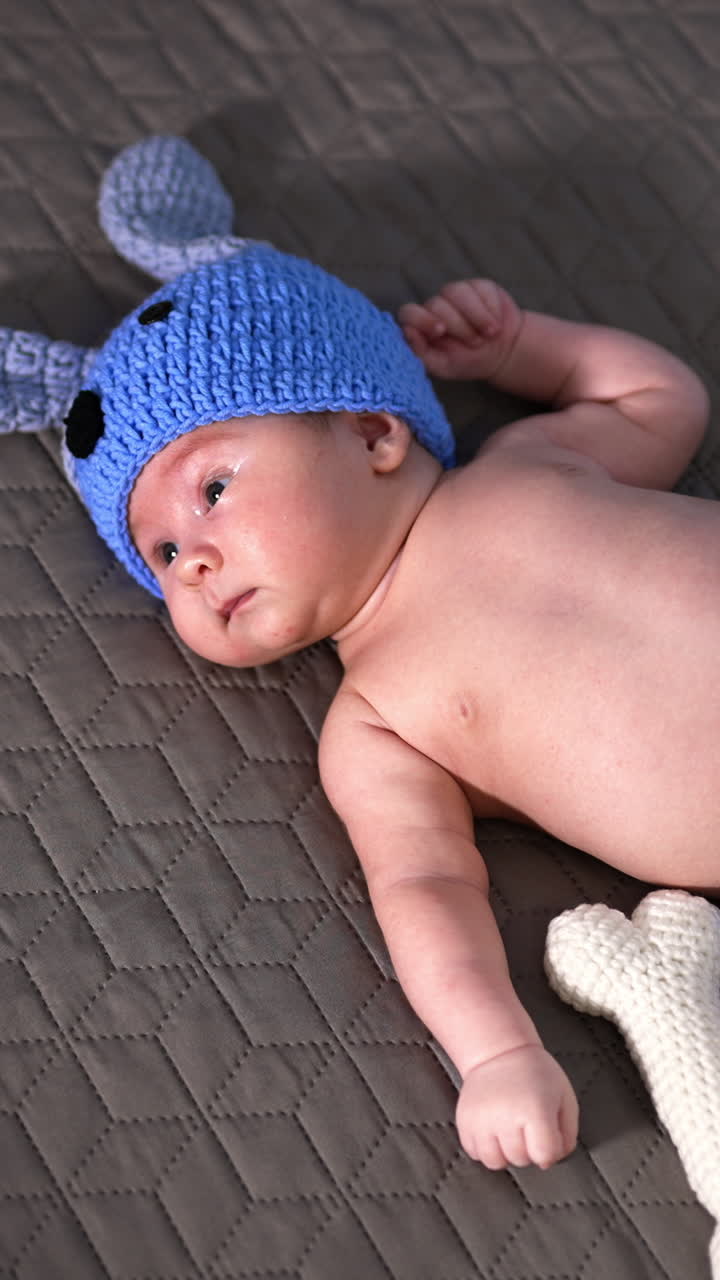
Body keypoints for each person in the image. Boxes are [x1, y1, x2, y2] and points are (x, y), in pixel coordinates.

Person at [7, 137, 712, 1175]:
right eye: (157, 552)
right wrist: (496, 1050)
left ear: (374, 431)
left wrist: (524, 349)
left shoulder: (530, 461)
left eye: (211, 489)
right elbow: (427, 888)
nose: (191, 560)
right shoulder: (377, 723)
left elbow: (661, 402)